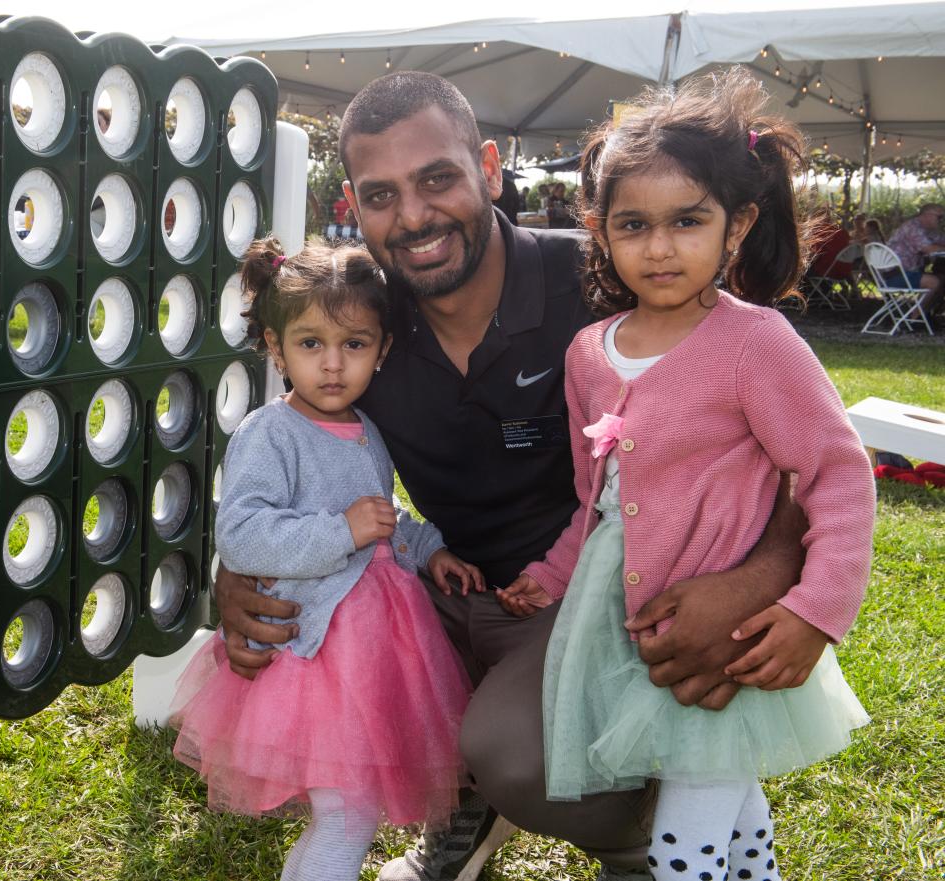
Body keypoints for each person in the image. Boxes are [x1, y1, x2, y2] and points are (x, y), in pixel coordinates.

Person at [216, 70, 807, 881]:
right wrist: (237, 568)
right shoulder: (360, 324)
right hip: (443, 581)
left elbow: (791, 451)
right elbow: (289, 449)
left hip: (598, 594)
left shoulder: (609, 283)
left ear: (489, 168)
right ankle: (468, 805)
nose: (414, 216)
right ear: (352, 203)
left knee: (517, 758)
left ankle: (648, 845)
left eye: (437, 178)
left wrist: (758, 583)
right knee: (352, 663)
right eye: (381, 194)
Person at [498, 69, 872, 881]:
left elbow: (838, 476)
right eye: (634, 224)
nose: (660, 247)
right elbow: (594, 500)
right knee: (725, 809)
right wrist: (551, 574)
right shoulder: (587, 354)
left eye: (687, 221)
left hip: (729, 633)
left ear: (736, 226)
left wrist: (818, 609)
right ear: (598, 230)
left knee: (684, 842)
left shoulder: (756, 344)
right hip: (629, 628)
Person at [171, 237, 484, 881]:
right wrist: (339, 529)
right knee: (348, 818)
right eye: (311, 344)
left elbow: (382, 519)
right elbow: (243, 534)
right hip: (316, 662)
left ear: (383, 349)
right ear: (274, 346)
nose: (333, 365)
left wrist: (430, 552)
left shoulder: (367, 430)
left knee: (352, 816)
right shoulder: (270, 432)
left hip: (376, 660)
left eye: (355, 344)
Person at [885, 203, 945, 322]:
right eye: (939, 217)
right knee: (934, 282)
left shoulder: (927, 230)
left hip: (907, 272)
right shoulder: (912, 228)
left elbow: (941, 240)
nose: (941, 221)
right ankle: (915, 317)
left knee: (942, 279)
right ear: (927, 215)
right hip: (895, 275)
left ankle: (925, 315)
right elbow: (929, 249)